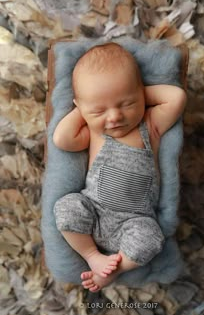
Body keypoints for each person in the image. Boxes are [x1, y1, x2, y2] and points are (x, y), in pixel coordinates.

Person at [53, 42, 187, 292]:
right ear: (82, 109)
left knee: (151, 237)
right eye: (99, 110)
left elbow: (176, 96)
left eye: (126, 104)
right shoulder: (95, 132)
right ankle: (93, 255)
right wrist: (84, 108)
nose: (114, 117)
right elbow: (62, 139)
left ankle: (117, 268)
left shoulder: (150, 125)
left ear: (141, 96)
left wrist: (134, 92)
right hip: (93, 210)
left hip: (134, 221)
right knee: (66, 207)